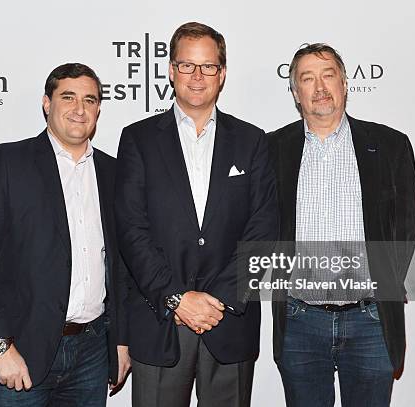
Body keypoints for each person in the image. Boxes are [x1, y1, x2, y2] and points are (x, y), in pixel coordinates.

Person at [115, 21, 277, 407]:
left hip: (229, 322)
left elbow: (264, 227)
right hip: (160, 323)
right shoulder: (137, 139)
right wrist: (176, 298)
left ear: (222, 74)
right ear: (171, 71)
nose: (197, 76)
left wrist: (216, 300)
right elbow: (131, 229)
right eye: (187, 65)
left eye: (208, 66)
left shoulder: (252, 140)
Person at [0, 63, 131, 407]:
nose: (80, 109)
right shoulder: (8, 162)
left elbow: (121, 267)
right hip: (20, 348)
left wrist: (120, 341)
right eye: (68, 97)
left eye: (90, 100)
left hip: (92, 352)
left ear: (98, 109)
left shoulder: (113, 172)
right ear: (47, 103)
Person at [269, 43, 415, 407]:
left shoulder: (389, 145)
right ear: (295, 93)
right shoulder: (271, 149)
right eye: (307, 78)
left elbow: (404, 227)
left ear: (345, 83)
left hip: (370, 320)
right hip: (300, 321)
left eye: (328, 75)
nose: (319, 87)